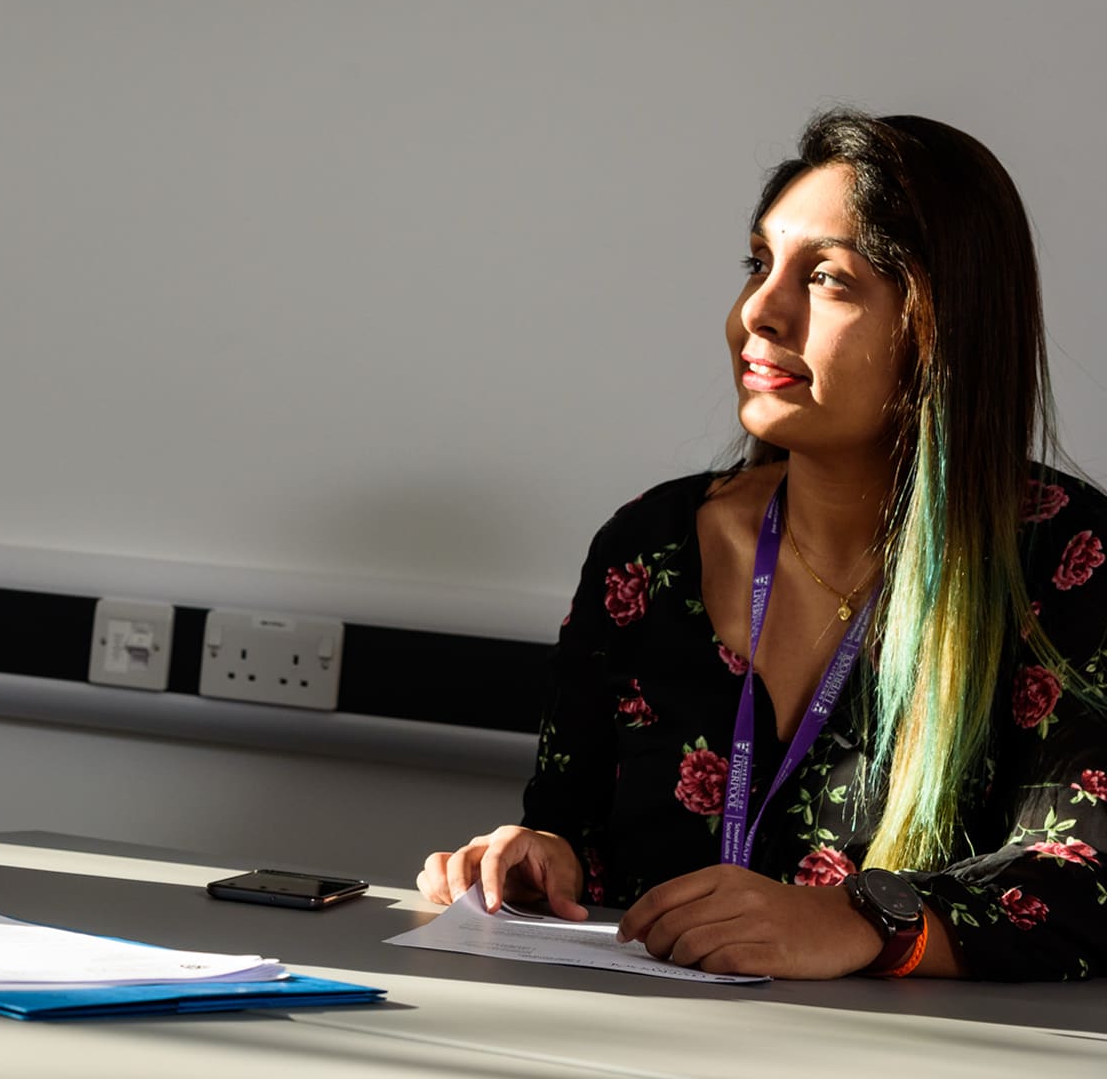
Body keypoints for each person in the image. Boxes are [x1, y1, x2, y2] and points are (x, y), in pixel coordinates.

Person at [418, 111, 1106, 981]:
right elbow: (582, 836)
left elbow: (1086, 882)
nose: (758, 314)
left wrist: (855, 922)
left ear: (940, 326)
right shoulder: (648, 551)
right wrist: (538, 858)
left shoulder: (1067, 557)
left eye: (825, 279)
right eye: (758, 265)